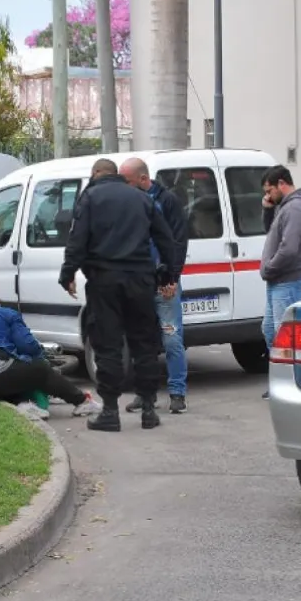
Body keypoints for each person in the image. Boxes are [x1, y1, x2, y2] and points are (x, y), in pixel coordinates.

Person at [59, 158, 177, 432]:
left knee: (108, 345)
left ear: (97, 174)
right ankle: (148, 409)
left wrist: (68, 274)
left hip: (104, 281)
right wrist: (167, 274)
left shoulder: (89, 198)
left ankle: (110, 411)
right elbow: (165, 238)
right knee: (145, 345)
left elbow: (77, 240)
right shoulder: (142, 198)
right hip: (140, 281)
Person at [0, 293, 100, 417]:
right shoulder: (6, 313)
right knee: (39, 369)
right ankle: (82, 401)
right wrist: (43, 363)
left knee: (6, 374)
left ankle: (24, 404)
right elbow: (28, 346)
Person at [119, 157, 189, 415]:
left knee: (171, 339)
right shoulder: (130, 202)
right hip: (139, 285)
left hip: (163, 286)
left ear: (142, 179)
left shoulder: (167, 202)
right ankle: (144, 393)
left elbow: (177, 242)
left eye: (126, 181)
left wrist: (171, 278)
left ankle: (177, 393)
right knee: (142, 342)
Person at [260, 165, 301, 400]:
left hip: (288, 282)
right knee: (270, 330)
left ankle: (294, 384)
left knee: (288, 337)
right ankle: (281, 381)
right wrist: (267, 210)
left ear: (282, 184)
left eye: (270, 190)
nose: (267, 195)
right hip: (279, 281)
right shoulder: (284, 207)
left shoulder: (295, 208)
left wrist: (270, 267)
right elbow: (271, 233)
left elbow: (289, 248)